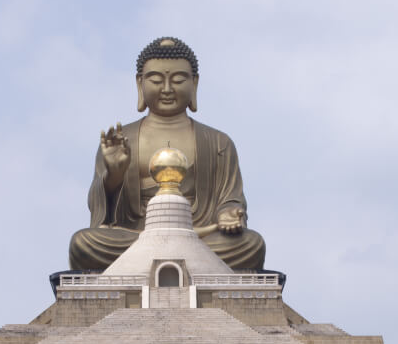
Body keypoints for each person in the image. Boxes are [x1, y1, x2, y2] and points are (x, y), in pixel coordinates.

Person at [68, 37, 266, 271]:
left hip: (200, 237)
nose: (167, 89)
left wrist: (229, 214)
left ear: (194, 83)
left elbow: (231, 199)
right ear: (140, 83)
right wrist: (114, 175)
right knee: (83, 244)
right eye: (156, 80)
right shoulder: (120, 140)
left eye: (179, 80)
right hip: (136, 237)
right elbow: (102, 215)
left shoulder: (218, 142)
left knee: (252, 244)